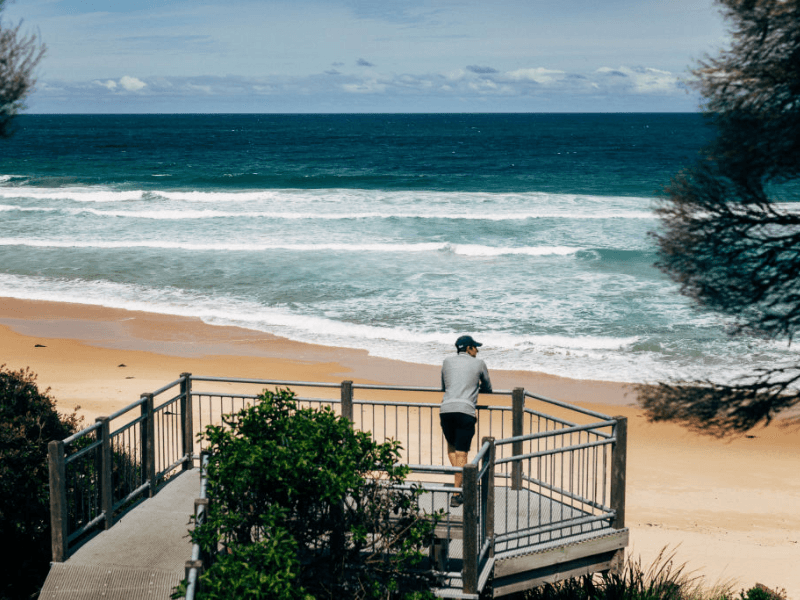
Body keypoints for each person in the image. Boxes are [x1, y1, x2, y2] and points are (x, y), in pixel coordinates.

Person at [440, 334, 492, 507]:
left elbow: (444, 386)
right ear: (469, 348)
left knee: (452, 448)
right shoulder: (479, 363)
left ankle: (463, 480)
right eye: (475, 347)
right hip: (465, 412)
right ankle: (457, 493)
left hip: (446, 410)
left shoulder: (447, 361)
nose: (477, 350)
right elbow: (488, 387)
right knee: (462, 453)